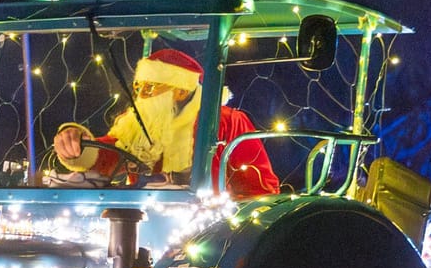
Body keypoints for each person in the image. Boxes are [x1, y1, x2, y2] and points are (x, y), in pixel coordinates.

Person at [51, 48, 279, 197]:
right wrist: (76, 145)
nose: (141, 96)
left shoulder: (226, 121)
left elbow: (260, 188)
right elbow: (106, 156)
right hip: (139, 219)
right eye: (139, 88)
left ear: (180, 91)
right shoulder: (133, 122)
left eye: (150, 88)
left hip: (206, 229)